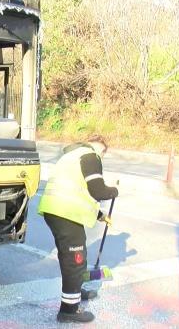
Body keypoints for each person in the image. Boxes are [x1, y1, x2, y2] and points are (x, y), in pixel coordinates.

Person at [37, 135, 119, 323]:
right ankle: (69, 310)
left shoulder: (73, 155)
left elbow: (77, 191)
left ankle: (75, 291)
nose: (102, 159)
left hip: (57, 211)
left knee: (71, 259)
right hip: (65, 213)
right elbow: (97, 190)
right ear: (101, 150)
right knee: (75, 261)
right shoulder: (91, 156)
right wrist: (114, 191)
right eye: (104, 155)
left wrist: (99, 216)